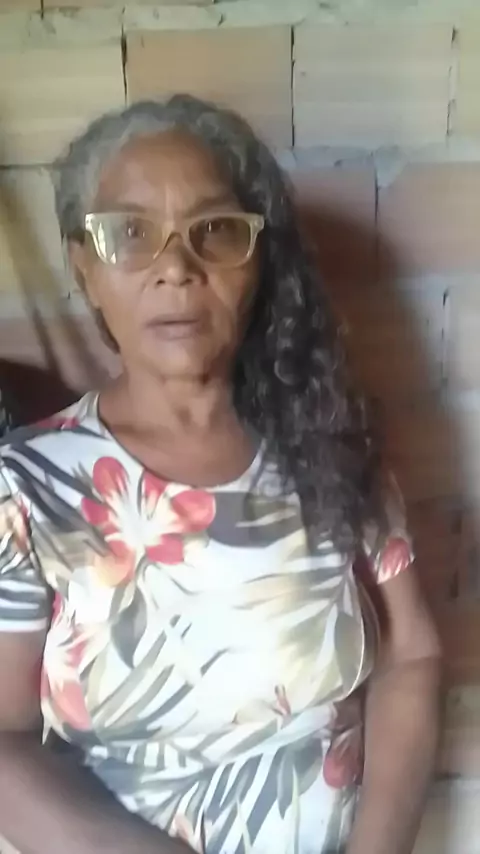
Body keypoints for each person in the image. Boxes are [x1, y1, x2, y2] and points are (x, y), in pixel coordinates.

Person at [0, 95, 440, 854]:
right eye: (129, 234)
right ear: (84, 268)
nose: (176, 268)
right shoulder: (28, 487)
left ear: (257, 261)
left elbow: (413, 654)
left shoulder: (324, 437)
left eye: (215, 231)